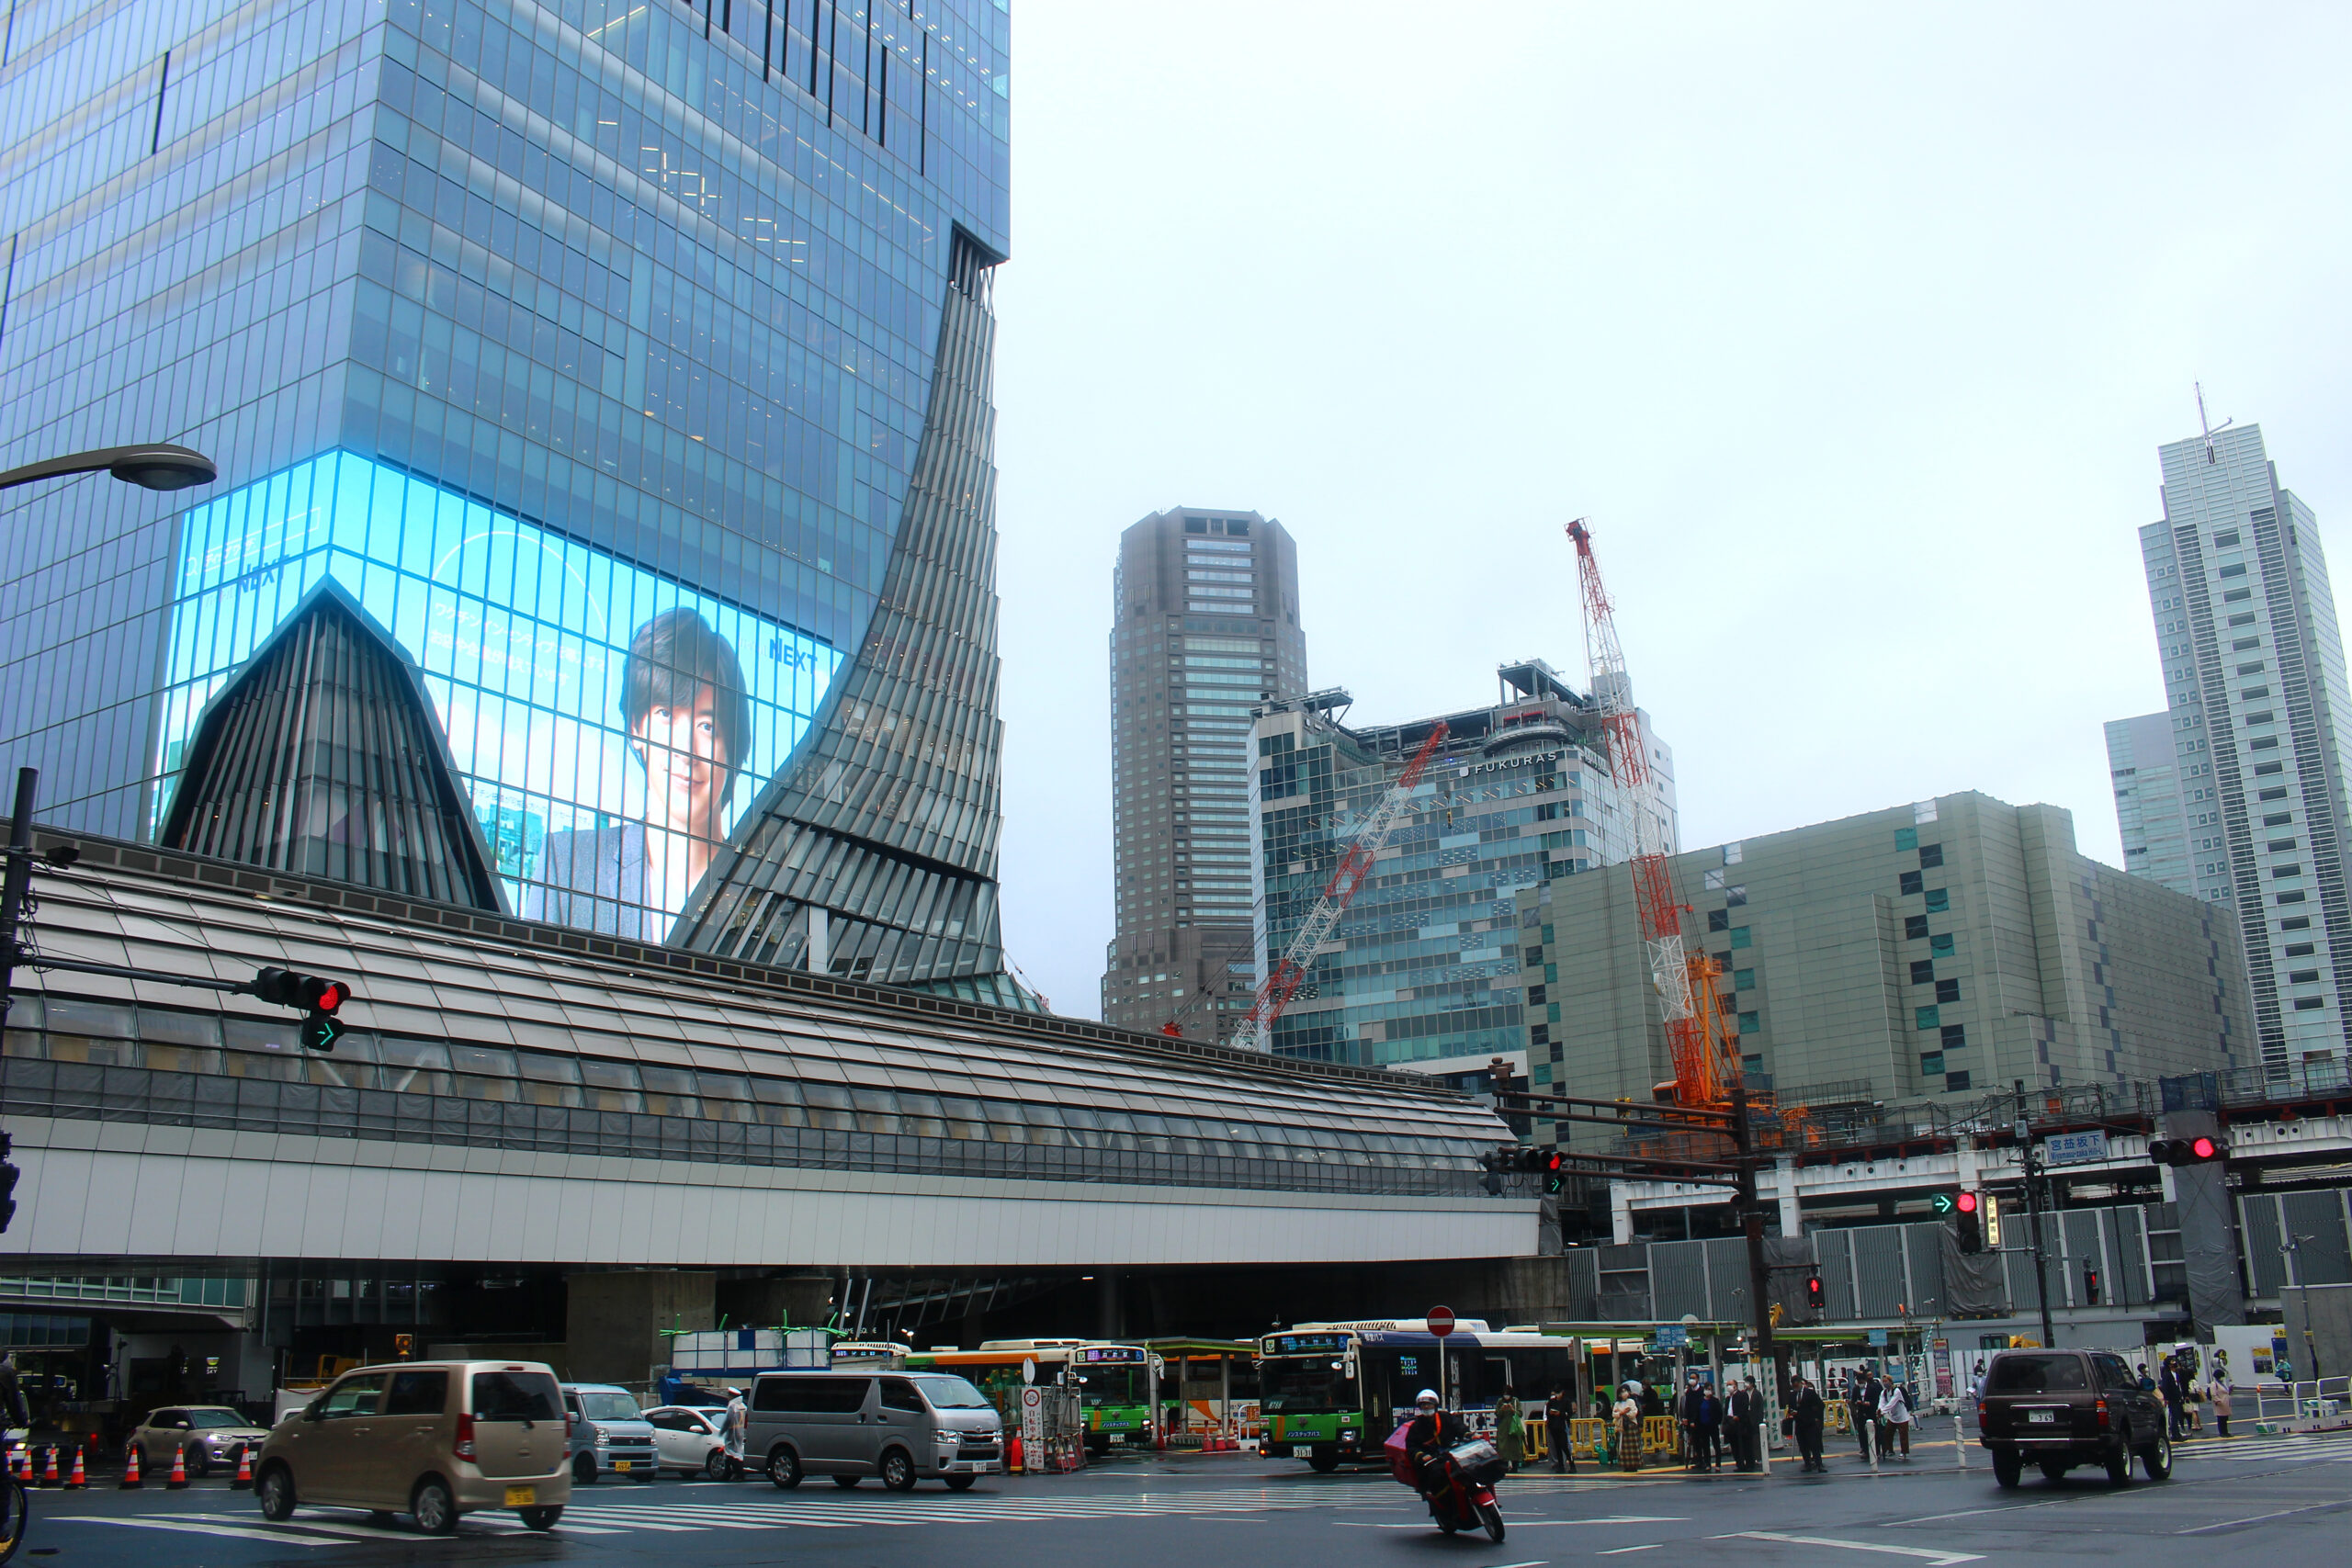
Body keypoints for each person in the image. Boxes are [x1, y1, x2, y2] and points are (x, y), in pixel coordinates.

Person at [529, 607, 752, 942]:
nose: (685, 750)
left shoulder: (763, 893)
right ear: (636, 727)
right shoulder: (568, 869)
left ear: (732, 747)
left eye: (706, 726)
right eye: (666, 714)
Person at [1403, 1391, 1465, 1495]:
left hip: (1452, 1455)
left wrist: (1469, 1434)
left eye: (1429, 1404)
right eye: (1423, 1405)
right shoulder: (1416, 1426)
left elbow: (1459, 1427)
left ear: (1435, 1405)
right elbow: (1411, 1446)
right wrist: (1422, 1455)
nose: (1426, 1407)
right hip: (1432, 1461)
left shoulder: (1446, 1417)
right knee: (1437, 1477)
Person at [1792, 1377, 1827, 1472]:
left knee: (1814, 1445)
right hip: (1799, 1423)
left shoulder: (1810, 1393)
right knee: (1803, 1445)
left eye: (1797, 1385)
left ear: (1800, 1383)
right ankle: (1807, 1464)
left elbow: (1820, 1405)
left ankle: (1819, 1464)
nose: (1795, 1387)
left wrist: (1816, 1417)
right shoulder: (1793, 1395)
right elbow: (1791, 1406)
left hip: (1810, 1423)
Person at [1545, 1382, 1576, 1473]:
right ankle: (1561, 1466)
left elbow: (1569, 1414)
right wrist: (1551, 1413)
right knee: (1557, 1447)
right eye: (1556, 1393)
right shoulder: (1551, 1402)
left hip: (1562, 1426)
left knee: (1565, 1447)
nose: (1557, 1395)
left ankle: (1572, 1464)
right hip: (1553, 1427)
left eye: (1558, 1393)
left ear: (1562, 1392)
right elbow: (1547, 1413)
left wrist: (1560, 1414)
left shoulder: (1566, 1401)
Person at [1849, 1370, 1880, 1461]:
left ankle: (1876, 1451)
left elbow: (1876, 1401)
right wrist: (1856, 1402)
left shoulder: (1872, 1388)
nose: (1860, 1384)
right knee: (1862, 1433)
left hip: (1871, 1413)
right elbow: (1853, 1400)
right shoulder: (1856, 1389)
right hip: (1861, 1413)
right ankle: (1866, 1451)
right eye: (1858, 1382)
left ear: (1865, 1381)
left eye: (1861, 1382)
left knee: (1874, 1432)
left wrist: (1869, 1403)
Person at [1612, 1385, 1644, 1473]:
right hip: (1621, 1427)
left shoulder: (1631, 1401)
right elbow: (1614, 1414)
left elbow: (1634, 1412)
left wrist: (1622, 1413)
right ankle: (1625, 1465)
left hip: (1630, 1426)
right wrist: (1622, 1412)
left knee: (1632, 1447)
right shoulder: (1617, 1404)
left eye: (1625, 1391)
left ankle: (1634, 1465)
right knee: (1623, 1447)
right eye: (1622, 1392)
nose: (1624, 1393)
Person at [1879, 1378, 1912, 1459]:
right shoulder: (1884, 1392)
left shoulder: (1897, 1391)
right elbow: (1881, 1403)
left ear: (1890, 1382)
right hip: (1893, 1416)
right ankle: (1890, 1450)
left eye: (1886, 1381)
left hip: (1902, 1416)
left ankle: (1903, 1452)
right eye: (1883, 1381)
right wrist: (1879, 1410)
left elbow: (1891, 1403)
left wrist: (1883, 1412)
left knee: (1903, 1435)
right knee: (1887, 1433)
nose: (1884, 1383)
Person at [2159, 1354, 2188, 1441]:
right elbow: (2166, 1387)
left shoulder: (2175, 1374)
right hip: (2172, 1399)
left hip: (2177, 1398)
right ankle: (2175, 1435)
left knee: (2178, 1416)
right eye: (2172, 1362)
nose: (2174, 1363)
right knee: (2174, 1417)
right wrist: (2166, 1398)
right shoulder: (2167, 1375)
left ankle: (2177, 1433)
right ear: (2169, 1364)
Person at [1496, 1388, 1524, 1472]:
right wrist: (1502, 1409)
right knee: (1503, 1447)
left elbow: (1520, 1413)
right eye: (1504, 1394)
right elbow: (1497, 1414)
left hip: (1513, 1427)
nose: (1506, 1396)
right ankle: (1504, 1467)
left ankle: (1515, 1466)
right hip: (1503, 1428)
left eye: (1507, 1394)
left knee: (1514, 1447)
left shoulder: (1515, 1401)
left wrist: (1513, 1410)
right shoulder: (1500, 1401)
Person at [722, 1386, 748, 1472]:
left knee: (730, 1453)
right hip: (741, 1432)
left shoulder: (732, 1406)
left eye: (729, 1395)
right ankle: (737, 1472)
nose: (727, 1397)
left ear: (732, 1396)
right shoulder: (743, 1405)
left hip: (732, 1432)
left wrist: (722, 1431)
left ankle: (734, 1472)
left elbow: (728, 1420)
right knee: (738, 1453)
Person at [2207, 1364, 2233, 1438]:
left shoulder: (2222, 1384)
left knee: (2225, 1418)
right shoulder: (2214, 1384)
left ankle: (2226, 1432)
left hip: (2225, 1403)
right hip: (2220, 1404)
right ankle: (2222, 1432)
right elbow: (2213, 1394)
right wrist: (2218, 1401)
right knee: (2221, 1419)